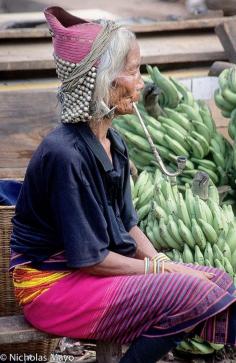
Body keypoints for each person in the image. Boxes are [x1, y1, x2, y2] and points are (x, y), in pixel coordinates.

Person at [10, 6, 236, 363]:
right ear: (104, 81)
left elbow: (128, 225)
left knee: (220, 282)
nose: (143, 81)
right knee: (188, 290)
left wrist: (162, 260)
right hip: (50, 286)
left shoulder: (114, 142)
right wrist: (164, 270)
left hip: (87, 276)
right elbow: (90, 259)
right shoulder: (64, 154)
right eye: (133, 71)